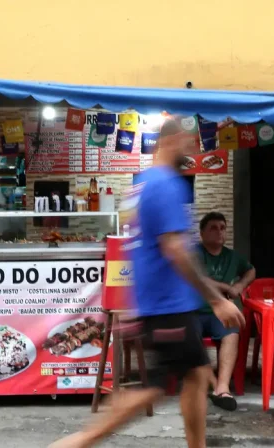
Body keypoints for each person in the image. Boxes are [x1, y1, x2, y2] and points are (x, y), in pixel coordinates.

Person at [48, 117, 245, 448]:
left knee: (194, 376)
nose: (193, 151)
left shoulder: (140, 187)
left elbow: (136, 249)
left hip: (157, 304)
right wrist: (215, 299)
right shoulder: (167, 184)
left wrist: (129, 304)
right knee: (155, 388)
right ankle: (80, 441)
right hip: (168, 306)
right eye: (189, 143)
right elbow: (175, 250)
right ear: (171, 141)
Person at [197, 211, 256, 411]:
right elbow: (198, 279)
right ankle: (198, 385)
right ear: (202, 233)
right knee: (189, 334)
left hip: (219, 314)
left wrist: (240, 285)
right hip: (193, 311)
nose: (219, 232)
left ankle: (222, 388)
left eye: (222, 228)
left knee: (232, 333)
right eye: (213, 228)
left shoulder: (233, 256)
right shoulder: (194, 253)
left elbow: (251, 270)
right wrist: (227, 288)